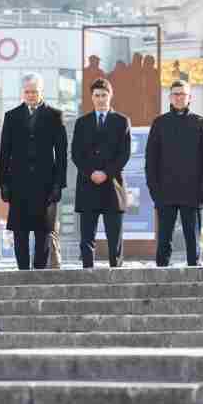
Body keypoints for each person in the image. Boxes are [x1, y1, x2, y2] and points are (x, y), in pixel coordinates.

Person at [0, 73, 68, 270]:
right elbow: (5, 152)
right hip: (18, 184)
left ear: (41, 91)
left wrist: (58, 184)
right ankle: (22, 272)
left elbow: (62, 153)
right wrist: (3, 183)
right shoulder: (11, 116)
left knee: (43, 232)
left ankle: (39, 273)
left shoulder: (54, 115)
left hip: (45, 185)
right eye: (27, 92)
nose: (30, 95)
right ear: (23, 92)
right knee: (19, 231)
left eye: (34, 92)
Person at [146, 79, 203, 267]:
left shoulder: (201, 123)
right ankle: (160, 279)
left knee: (193, 242)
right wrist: (154, 191)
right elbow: (151, 160)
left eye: (182, 94)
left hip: (192, 193)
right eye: (175, 94)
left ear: (189, 97)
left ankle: (195, 278)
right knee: (164, 243)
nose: (178, 98)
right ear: (170, 97)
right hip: (165, 193)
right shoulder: (159, 123)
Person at [71, 78, 131, 269]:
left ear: (110, 95)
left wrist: (106, 173)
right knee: (87, 238)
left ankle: (117, 272)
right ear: (92, 97)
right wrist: (91, 173)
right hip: (88, 186)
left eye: (104, 95)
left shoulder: (122, 121)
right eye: (96, 95)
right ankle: (87, 273)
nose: (100, 99)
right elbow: (76, 154)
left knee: (115, 237)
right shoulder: (82, 123)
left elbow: (124, 154)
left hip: (112, 186)